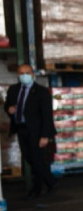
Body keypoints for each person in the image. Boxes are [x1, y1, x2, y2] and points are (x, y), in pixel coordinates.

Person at [4, 64, 58, 199]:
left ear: (32, 74)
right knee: (29, 158)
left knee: (37, 159)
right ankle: (51, 181)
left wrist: (45, 135)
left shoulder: (41, 92)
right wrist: (9, 110)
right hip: (21, 129)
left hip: (37, 131)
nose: (24, 76)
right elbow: (7, 105)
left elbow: (47, 115)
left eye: (27, 73)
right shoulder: (13, 90)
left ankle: (36, 189)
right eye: (21, 73)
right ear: (17, 74)